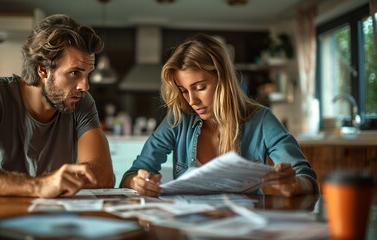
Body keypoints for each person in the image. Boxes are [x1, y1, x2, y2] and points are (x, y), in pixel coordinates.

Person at [120, 34, 318, 197]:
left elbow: (306, 178)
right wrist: (138, 183)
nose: (191, 100)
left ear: (223, 79)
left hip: (245, 227)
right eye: (183, 90)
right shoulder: (178, 120)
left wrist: (294, 185)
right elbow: (131, 175)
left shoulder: (262, 121)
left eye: (199, 88)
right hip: (189, 227)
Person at [0, 14, 114, 198]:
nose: (85, 86)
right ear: (43, 69)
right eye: (75, 73)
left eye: (87, 74)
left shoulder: (82, 102)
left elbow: (104, 176)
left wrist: (54, 182)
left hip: (55, 218)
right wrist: (38, 186)